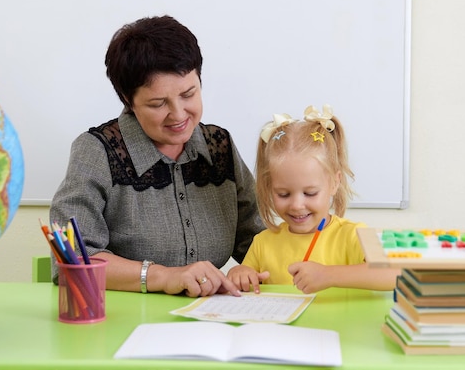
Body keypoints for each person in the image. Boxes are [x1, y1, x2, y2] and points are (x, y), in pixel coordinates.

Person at [50, 15, 264, 297]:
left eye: (189, 94)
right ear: (128, 100)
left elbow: (258, 240)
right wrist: (163, 276)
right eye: (158, 103)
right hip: (125, 320)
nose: (178, 114)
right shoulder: (97, 151)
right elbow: (72, 260)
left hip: (209, 319)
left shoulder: (219, 145)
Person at [227, 105, 400, 294]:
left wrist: (329, 275)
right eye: (283, 194)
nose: (297, 205)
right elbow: (246, 282)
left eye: (310, 193)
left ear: (335, 183)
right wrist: (239, 272)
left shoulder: (353, 235)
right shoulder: (262, 243)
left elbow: (398, 273)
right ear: (269, 188)